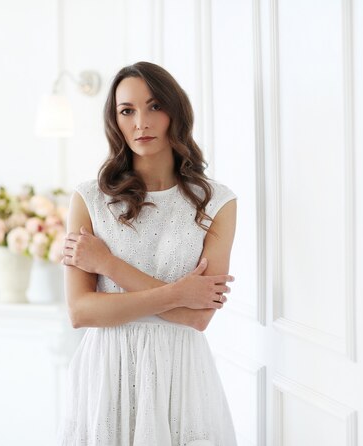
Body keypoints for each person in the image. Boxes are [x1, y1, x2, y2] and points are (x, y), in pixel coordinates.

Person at [58, 61, 238, 446]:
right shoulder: (89, 198)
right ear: (115, 121)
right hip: (107, 373)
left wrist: (107, 265)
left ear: (176, 112)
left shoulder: (216, 202)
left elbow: (198, 317)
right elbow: (81, 312)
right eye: (127, 111)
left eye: (155, 106)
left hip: (182, 376)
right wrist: (177, 294)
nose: (141, 121)